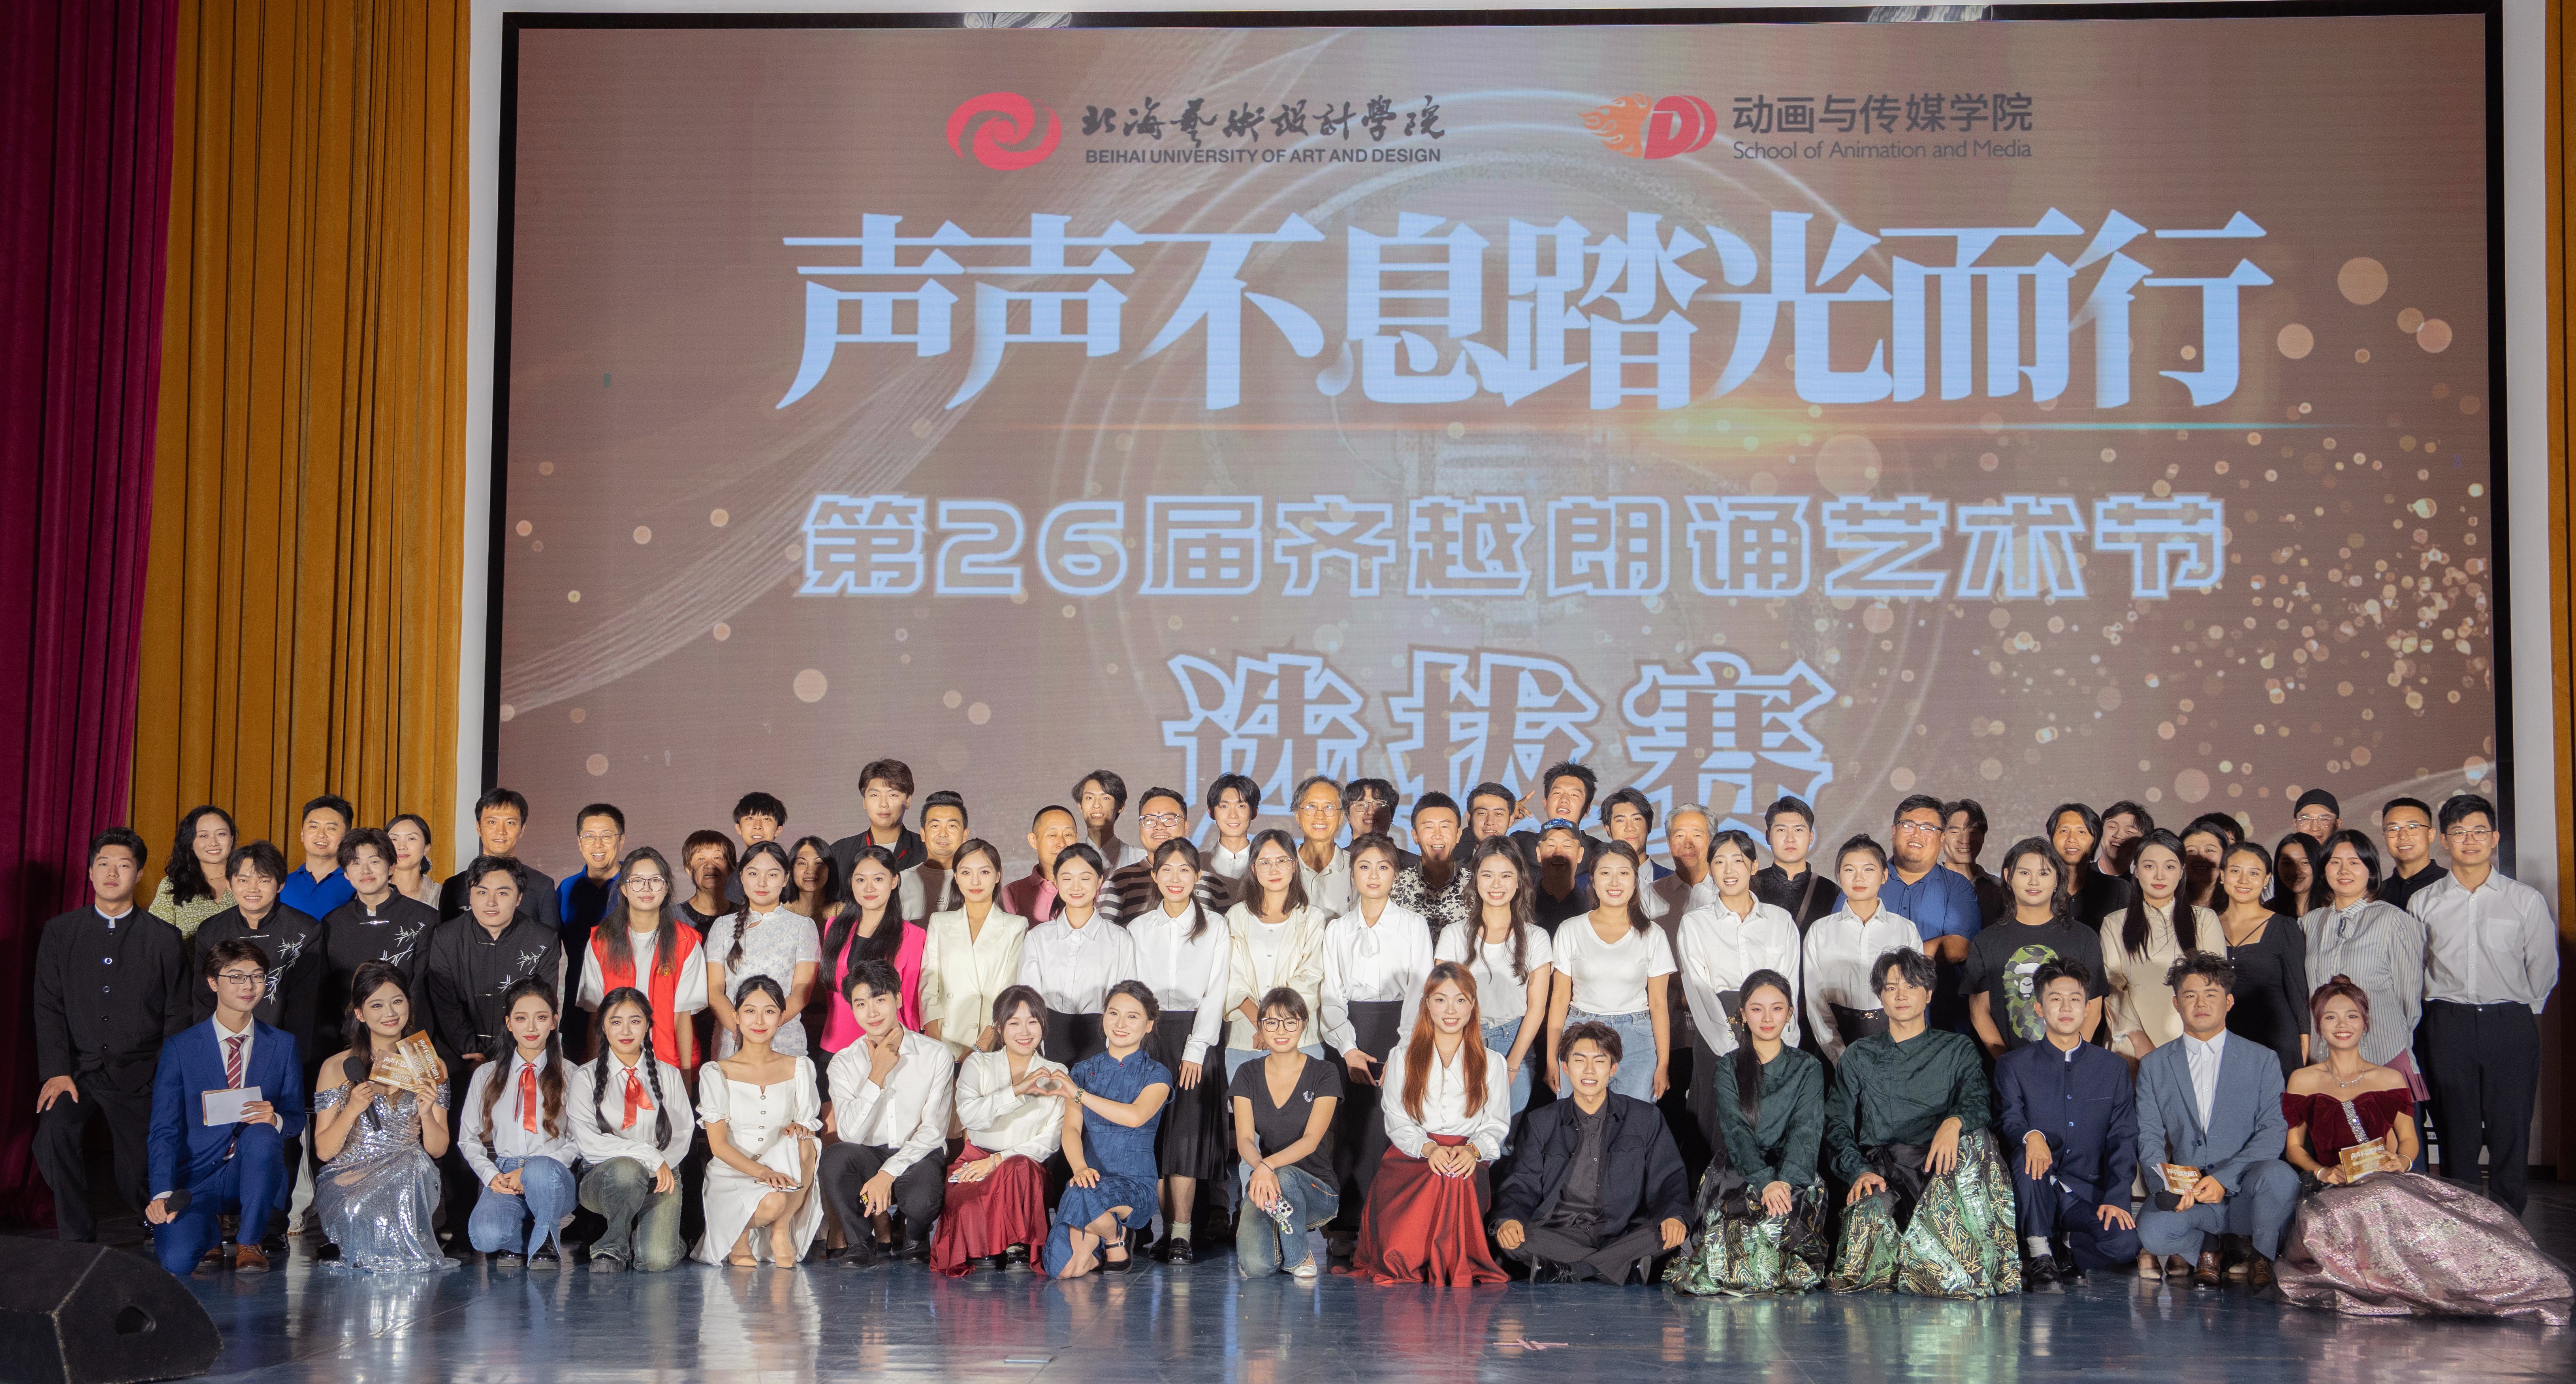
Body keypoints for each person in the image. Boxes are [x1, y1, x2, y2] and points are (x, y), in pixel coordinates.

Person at [2274, 978, 2572, 1322]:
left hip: (2385, 1181)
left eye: (2351, 1016)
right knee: (2366, 1205)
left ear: (2365, 1022)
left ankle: (2482, 1284)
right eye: (2330, 1017)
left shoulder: (2389, 1078)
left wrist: (2400, 1161)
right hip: (2331, 1188)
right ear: (2318, 1024)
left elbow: (2408, 1140)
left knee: (2450, 1220)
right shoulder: (2303, 1079)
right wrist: (2324, 1171)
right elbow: (2294, 1147)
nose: (2342, 1025)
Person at [1823, 948, 2015, 1297]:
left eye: (1911, 986)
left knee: (1980, 1139)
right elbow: (1836, 1125)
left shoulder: (1956, 1048)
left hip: (1944, 1169)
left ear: (1928, 995)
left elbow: (1978, 1101)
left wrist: (1953, 1122)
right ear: (1880, 996)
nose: (1901, 995)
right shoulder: (1859, 1056)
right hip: (1884, 1171)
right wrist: (1857, 1172)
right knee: (1857, 1271)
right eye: (1891, 987)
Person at [33, 829, 189, 1244]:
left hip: (140, 1073)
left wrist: (165, 1076)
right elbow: (48, 1007)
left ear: (138, 875)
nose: (112, 873)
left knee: (136, 1169)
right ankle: (76, 1235)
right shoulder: (60, 932)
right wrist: (57, 1071)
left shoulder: (164, 938)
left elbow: (178, 1014)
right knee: (53, 1135)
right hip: (78, 1071)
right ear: (90, 872)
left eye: (123, 866)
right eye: (103, 864)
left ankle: (154, 1221)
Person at [2409, 793, 2559, 1214]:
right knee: (2455, 1133)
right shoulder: (2424, 901)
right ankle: (2463, 1227)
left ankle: (2509, 1228)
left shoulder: (2523, 899)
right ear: (2443, 840)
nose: (2469, 840)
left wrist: (2518, 1010)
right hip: (2446, 1023)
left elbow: (2543, 966)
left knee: (2509, 1129)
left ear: (2494, 838)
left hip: (2508, 1023)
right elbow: (2415, 967)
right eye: (2458, 832)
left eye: (2478, 831)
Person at [142, 938, 307, 1274]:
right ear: (213, 983)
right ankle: (209, 1230)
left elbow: (295, 1118)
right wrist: (162, 1191)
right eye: (236, 977)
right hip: (197, 1177)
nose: (248, 986)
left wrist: (275, 1119)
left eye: (257, 976)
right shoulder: (181, 1048)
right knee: (177, 1260)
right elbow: (164, 1129)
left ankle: (250, 1240)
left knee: (262, 1135)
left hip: (253, 1171)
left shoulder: (283, 1044)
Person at [2132, 953, 2297, 1288]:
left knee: (2280, 1177)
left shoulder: (2262, 1059)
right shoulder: (2154, 1065)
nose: (2201, 1003)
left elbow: (2272, 1131)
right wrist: (2166, 1186)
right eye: (2190, 995)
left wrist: (2224, 1179)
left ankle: (2261, 1257)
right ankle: (2210, 1248)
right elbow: (2148, 1136)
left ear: (2228, 1002)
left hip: (2246, 1190)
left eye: (2211, 994)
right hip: (2190, 1192)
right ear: (2176, 1004)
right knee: (2153, 1232)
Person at [1667, 970, 1829, 1296]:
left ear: (1790, 1013)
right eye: (1757, 1009)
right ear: (1742, 1014)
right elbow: (1736, 1132)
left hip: (1792, 1173)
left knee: (1779, 1234)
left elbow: (1806, 1131)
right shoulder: (1727, 1067)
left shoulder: (1808, 1067)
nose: (1767, 1018)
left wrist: (1782, 1182)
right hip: (1738, 1170)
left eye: (1777, 1009)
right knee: (1734, 1238)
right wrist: (1764, 1181)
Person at [1492, 1021, 1690, 1284]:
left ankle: (1566, 1270)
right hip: (1559, 1232)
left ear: (1613, 1068)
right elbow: (1521, 1182)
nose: (1589, 1070)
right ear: (1565, 1067)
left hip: (1621, 1231)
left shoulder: (1645, 1117)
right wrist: (1510, 1219)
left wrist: (1673, 1215)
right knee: (1512, 1238)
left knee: (1667, 1234)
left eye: (1599, 1061)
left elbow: (1668, 1177)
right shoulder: (1541, 1121)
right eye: (1579, 1061)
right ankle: (1620, 1267)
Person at [1353, 963, 1510, 1286]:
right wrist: (1428, 1148)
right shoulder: (1403, 1057)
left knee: (1453, 1175)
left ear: (1473, 1005)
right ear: (1426, 1004)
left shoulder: (1493, 1062)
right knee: (1399, 1258)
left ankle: (1455, 1261)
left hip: (1467, 1160)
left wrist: (1472, 1151)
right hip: (1410, 1160)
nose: (1450, 1010)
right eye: (1440, 1000)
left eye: (1460, 1000)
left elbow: (1495, 1124)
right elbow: (1396, 1118)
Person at [1994, 961, 2140, 1285]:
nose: (2065, 1008)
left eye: (2074, 999)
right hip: (2034, 1186)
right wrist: (2031, 1135)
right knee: (2028, 1156)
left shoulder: (2113, 1068)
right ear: (2039, 1008)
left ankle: (2067, 1244)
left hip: (2084, 1191)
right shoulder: (2013, 1065)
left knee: (2124, 1246)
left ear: (2086, 1008)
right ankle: (2039, 1253)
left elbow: (2123, 1138)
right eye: (2055, 999)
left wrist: (2116, 1198)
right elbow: (2009, 1119)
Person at [1316, 834, 1432, 1237]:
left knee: (1395, 1124)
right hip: (1350, 1032)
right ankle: (1347, 1229)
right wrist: (1348, 1049)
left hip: (1401, 1030)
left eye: (1383, 867)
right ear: (1352, 873)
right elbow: (1331, 994)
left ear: (1395, 874)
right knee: (1352, 1127)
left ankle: (1393, 1227)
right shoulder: (1337, 929)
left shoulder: (1413, 925)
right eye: (1364, 867)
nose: (1373, 875)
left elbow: (1420, 990)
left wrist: (1404, 1047)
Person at [311, 960, 453, 1272]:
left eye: (397, 1001)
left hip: (409, 1171)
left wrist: (427, 1114)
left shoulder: (430, 1065)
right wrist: (352, 1110)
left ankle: (396, 1256)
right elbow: (324, 1151)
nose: (390, 1013)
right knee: (361, 1206)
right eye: (377, 1005)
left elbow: (438, 1149)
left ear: (408, 1005)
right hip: (350, 1175)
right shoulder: (337, 1067)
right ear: (360, 1014)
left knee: (412, 1161)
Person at [1127, 838, 1231, 1262]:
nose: (1175, 878)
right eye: (1166, 870)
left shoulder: (1216, 927)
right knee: (1154, 1137)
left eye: (1184, 870)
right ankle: (1166, 1231)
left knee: (1186, 1138)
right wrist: (1136, 1045)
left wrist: (1196, 1047)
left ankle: (1183, 1235)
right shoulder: (1138, 929)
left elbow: (1216, 991)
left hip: (1196, 1037)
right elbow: (1131, 992)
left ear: (1197, 876)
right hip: (1148, 1037)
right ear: (1154, 876)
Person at [820, 960, 954, 1265]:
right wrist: (877, 1075)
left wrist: (887, 1173)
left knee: (922, 1200)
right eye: (861, 1004)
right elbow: (850, 1134)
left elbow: (933, 1131)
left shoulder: (935, 1054)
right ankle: (859, 1242)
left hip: (918, 1153)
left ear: (898, 999)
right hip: (868, 1153)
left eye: (880, 1000)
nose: (872, 1012)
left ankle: (914, 1235)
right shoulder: (844, 1062)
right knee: (836, 1158)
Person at [1675, 829, 1800, 1151]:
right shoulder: (1695, 924)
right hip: (1718, 1029)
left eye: (1738, 861)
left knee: (1769, 1128)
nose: (1729, 871)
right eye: (1719, 862)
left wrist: (1783, 1045)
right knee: (1717, 1126)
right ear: (1710, 869)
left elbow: (1790, 986)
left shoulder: (1780, 921)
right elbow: (1698, 990)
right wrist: (1728, 1048)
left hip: (1771, 1030)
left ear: (1754, 866)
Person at [931, 987, 1067, 1276]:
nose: (1024, 1031)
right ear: (999, 1027)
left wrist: (997, 1161)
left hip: (1026, 1170)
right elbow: (970, 1116)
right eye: (1014, 1023)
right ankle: (986, 1247)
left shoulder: (1057, 1073)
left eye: (1033, 1021)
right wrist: (1017, 1090)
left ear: (1043, 1024)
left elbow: (1050, 1140)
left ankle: (1017, 1244)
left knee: (1018, 1168)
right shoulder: (978, 1064)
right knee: (968, 1206)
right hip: (975, 1160)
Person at [692, 976, 823, 1267]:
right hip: (732, 1171)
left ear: (782, 1017)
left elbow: (808, 1125)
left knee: (806, 1141)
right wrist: (763, 1173)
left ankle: (781, 1231)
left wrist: (799, 1128)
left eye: (770, 1011)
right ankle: (738, 1235)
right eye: (750, 1011)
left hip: (781, 1168)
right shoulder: (716, 1072)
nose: (760, 1020)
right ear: (736, 1017)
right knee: (773, 1202)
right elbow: (719, 1147)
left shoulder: (800, 1068)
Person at [1044, 981, 1172, 1278]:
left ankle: (1114, 1236)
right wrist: (1079, 1168)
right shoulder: (1081, 1071)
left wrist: (1078, 1094)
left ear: (1149, 1025)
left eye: (1132, 1016)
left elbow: (1135, 1117)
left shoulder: (1157, 1074)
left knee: (1082, 1194)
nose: (1120, 1024)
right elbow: (1071, 1129)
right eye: (1113, 1014)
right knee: (1061, 1270)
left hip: (1135, 1186)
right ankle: (1106, 1240)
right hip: (1088, 1181)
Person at [569, 987, 694, 1272]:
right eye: (616, 1022)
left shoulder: (669, 1075)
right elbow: (588, 1142)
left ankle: (659, 1238)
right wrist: (648, 1156)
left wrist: (658, 1166)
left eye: (635, 1021)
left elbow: (683, 1133)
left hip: (660, 1176)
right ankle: (611, 1247)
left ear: (648, 1025)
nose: (626, 1030)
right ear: (603, 1026)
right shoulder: (585, 1077)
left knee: (656, 1261)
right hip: (605, 1177)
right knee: (628, 1170)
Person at [457, 979, 578, 1267]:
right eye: (522, 1019)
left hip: (552, 1172)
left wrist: (532, 1171)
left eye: (541, 1018)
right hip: (507, 1172)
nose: (531, 1027)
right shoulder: (486, 1075)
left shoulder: (572, 1074)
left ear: (554, 1022)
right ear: (509, 1024)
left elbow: (581, 1139)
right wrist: (491, 1176)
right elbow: (467, 1138)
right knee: (485, 1237)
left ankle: (546, 1241)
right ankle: (522, 1236)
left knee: (540, 1172)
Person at [1431, 837, 1553, 1119]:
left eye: (1506, 876)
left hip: (1514, 1042)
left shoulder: (1536, 938)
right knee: (1460, 1128)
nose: (1496, 885)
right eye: (1487, 875)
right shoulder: (1454, 934)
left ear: (1519, 881)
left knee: (1506, 1135)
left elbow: (1537, 1009)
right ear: (1475, 880)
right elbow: (1442, 1001)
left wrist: (1512, 1064)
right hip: (1462, 1039)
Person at [2301, 830, 2426, 1103]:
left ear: (2371, 870)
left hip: (2384, 1051)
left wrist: (2388, 1035)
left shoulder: (2393, 920)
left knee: (2392, 1131)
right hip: (2326, 1057)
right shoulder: (2310, 923)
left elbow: (2409, 999)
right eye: (2335, 862)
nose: (2343, 871)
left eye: (2354, 862)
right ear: (2324, 870)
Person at [1546, 841, 1675, 1104]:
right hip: (1580, 1031)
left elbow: (1659, 1003)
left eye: (1624, 873)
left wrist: (1663, 1064)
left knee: (1633, 1120)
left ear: (1635, 881)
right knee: (1578, 1119)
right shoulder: (1571, 929)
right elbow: (1559, 999)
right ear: (1592, 881)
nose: (1614, 882)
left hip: (1637, 1037)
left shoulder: (1653, 934)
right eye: (1605, 873)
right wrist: (1552, 1059)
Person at [1231, 987, 1343, 1279]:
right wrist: (1262, 1169)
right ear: (1260, 1027)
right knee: (1256, 1267)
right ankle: (1281, 1236)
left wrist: (1268, 1166)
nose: (1281, 1031)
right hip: (1268, 1186)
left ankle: (1298, 1257)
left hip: (1317, 1189)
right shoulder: (1246, 1073)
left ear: (1303, 1024)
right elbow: (1244, 1139)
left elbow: (1311, 1141)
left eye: (1290, 1022)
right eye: (1271, 1022)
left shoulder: (1325, 1073)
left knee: (1285, 1175)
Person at [417, 857, 566, 1076]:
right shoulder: (447, 936)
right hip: (459, 1053)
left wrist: (507, 1055)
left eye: (503, 893)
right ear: (470, 895)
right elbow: (445, 1003)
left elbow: (542, 1002)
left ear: (519, 898)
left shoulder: (542, 939)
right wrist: (471, 1050)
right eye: (482, 892)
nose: (491, 902)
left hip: (520, 1051)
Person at [1963, 838, 2106, 1057]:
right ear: (2008, 877)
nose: (2034, 882)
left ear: (2058, 879)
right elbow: (1979, 1011)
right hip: (2007, 1064)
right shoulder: (1987, 941)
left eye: (2044, 873)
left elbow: (2093, 1009)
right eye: (2024, 873)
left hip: (2071, 1063)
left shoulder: (2084, 937)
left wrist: (2070, 1060)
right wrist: (2008, 1065)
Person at [192, 842, 327, 1064]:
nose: (253, 889)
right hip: (223, 1045)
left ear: (280, 885)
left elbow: (306, 1007)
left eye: (264, 880)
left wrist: (291, 1055)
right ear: (229, 884)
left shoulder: (306, 929)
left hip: (282, 1045)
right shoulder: (211, 930)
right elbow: (203, 999)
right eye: (243, 880)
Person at [578, 846, 706, 1069]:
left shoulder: (686, 941)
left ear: (666, 887)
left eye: (656, 880)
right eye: (637, 881)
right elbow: (595, 1015)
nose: (647, 888)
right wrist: (596, 1073)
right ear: (624, 889)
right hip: (615, 1064)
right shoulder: (601, 940)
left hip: (668, 1063)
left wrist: (685, 1078)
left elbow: (683, 1016)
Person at [1801, 836, 1923, 1066]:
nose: (1859, 878)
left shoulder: (1905, 929)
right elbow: (1816, 1002)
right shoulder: (1820, 931)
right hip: (1837, 1039)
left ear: (1884, 876)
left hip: (1894, 1039)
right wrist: (1840, 1057)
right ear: (1839, 876)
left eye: (1868, 869)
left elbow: (1914, 996)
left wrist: (1902, 1050)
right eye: (1850, 870)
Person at [2100, 829, 2218, 1059]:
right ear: (2136, 871)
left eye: (2170, 867)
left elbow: (2214, 986)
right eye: (2149, 866)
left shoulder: (2205, 920)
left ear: (2182, 872)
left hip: (2191, 1038)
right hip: (2130, 1043)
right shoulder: (2115, 923)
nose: (2160, 876)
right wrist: (2139, 1042)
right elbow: (2112, 987)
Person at [1016, 843, 1138, 1065]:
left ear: (1099, 881)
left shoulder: (1120, 940)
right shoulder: (1038, 938)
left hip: (1101, 1042)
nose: (1076, 887)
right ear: (1056, 882)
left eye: (1085, 878)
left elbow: (1125, 1001)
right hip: (1047, 1040)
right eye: (1067, 878)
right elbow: (1029, 1000)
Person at [1222, 829, 1328, 1081]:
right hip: (1247, 1037)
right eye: (1265, 863)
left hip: (1300, 1038)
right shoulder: (1236, 917)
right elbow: (1231, 978)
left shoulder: (1312, 918)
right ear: (1253, 869)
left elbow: (1311, 976)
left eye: (1282, 861)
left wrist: (1275, 1024)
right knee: (1245, 1106)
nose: (1274, 869)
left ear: (1294, 865)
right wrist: (1261, 1025)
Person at [705, 840, 821, 1060]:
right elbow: (715, 991)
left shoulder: (803, 927)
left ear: (786, 878)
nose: (762, 883)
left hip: (784, 1039)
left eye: (772, 875)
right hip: (733, 1039)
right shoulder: (722, 927)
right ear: (741, 876)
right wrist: (742, 1030)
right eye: (753, 874)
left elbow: (802, 991)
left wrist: (768, 1026)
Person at [918, 838, 1028, 1058]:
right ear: (956, 877)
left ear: (998, 876)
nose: (975, 881)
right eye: (966, 873)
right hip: (943, 1041)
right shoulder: (940, 922)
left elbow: (1009, 989)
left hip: (990, 1041)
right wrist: (937, 1042)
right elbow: (928, 986)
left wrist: (981, 1046)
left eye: (984, 872)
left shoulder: (1016, 926)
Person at [1880, 795, 1980, 1029]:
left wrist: (1883, 960)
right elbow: (1842, 938)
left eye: (1928, 828)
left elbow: (1957, 948)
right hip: (1874, 1014)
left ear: (1942, 838)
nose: (1917, 835)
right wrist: (1930, 947)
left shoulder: (1957, 886)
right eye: (1908, 826)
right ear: (1894, 831)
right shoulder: (1867, 878)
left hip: (1940, 1018)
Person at [320, 827, 438, 1028]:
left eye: (374, 861)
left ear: (391, 866)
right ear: (346, 873)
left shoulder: (424, 919)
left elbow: (424, 990)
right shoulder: (332, 924)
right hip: (348, 1037)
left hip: (406, 1034)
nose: (365, 871)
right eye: (356, 863)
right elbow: (327, 995)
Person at [2213, 842, 2312, 1079]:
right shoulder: (2206, 923)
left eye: (2254, 873)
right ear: (2223, 875)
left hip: (2276, 1041)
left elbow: (2299, 994)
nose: (2244, 880)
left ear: (2267, 879)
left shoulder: (2284, 927)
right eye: (2236, 871)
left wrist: (2304, 1050)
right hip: (2221, 1039)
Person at [817, 843, 924, 1050]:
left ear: (894, 881)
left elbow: (910, 1005)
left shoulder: (913, 936)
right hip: (836, 1044)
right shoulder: (834, 927)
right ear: (852, 883)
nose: (869, 888)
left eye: (878, 879)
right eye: (860, 880)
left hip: (888, 1046)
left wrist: (912, 1050)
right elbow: (832, 994)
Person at [553, 804, 628, 1051]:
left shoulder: (637, 885)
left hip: (629, 1005)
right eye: (589, 836)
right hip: (578, 1005)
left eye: (606, 836)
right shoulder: (567, 889)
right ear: (579, 842)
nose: (598, 845)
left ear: (621, 840)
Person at [438, 790, 560, 933]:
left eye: (510, 823)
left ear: (522, 830)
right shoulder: (454, 886)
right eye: (492, 822)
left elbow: (550, 941)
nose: (501, 831)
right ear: (478, 828)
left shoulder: (541, 885)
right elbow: (444, 938)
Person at [1104, 786, 1224, 922]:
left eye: (1169, 819)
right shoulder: (1119, 881)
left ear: (1186, 828)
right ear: (1140, 828)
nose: (1159, 826)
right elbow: (1107, 933)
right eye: (1150, 820)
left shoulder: (1212, 884)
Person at [1751, 795, 1841, 933]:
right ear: (1768, 837)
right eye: (1781, 830)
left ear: (1811, 837)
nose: (1790, 839)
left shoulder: (1831, 892)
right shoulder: (1750, 887)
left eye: (1798, 830)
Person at [829, 758, 926, 884]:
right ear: (864, 801)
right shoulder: (840, 852)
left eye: (893, 795)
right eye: (875, 795)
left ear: (908, 801)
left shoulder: (927, 850)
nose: (883, 804)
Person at [1389, 792, 1472, 938]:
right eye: (1429, 827)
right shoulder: (1394, 886)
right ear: (1415, 836)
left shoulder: (1476, 886)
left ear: (1458, 835)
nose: (1437, 835)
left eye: (1445, 827)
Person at [149, 805, 235, 941]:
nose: (213, 843)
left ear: (232, 839)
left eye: (221, 834)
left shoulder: (249, 882)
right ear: (190, 843)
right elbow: (156, 939)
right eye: (203, 836)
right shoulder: (172, 885)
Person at [1509, 762, 1605, 873]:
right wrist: (1506, 814)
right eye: (1558, 793)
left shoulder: (1597, 851)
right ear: (1545, 804)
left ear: (1587, 808)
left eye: (1574, 795)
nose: (1564, 800)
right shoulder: (1521, 843)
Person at [2044, 802, 2121, 927]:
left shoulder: (2118, 889)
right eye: (2064, 831)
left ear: (2095, 841)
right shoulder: (2037, 887)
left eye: (2081, 832)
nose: (2072, 839)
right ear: (2052, 838)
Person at [280, 794, 357, 920]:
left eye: (331, 828)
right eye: (314, 827)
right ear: (302, 834)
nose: (321, 835)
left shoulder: (357, 883)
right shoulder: (282, 884)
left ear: (347, 836)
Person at [1290, 775, 1355, 918]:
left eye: (1329, 808)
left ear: (1341, 817)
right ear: (1297, 815)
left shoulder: (1356, 868)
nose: (1320, 816)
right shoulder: (1283, 866)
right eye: (1311, 807)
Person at [1001, 805, 1078, 922]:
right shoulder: (1013, 893)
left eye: (1068, 835)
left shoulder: (1093, 888)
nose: (1062, 844)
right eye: (1053, 835)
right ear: (1033, 841)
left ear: (1076, 838)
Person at [1648, 804, 1720, 929]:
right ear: (1669, 844)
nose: (1688, 844)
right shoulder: (1651, 894)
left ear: (1712, 842)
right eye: (1680, 836)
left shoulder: (1727, 890)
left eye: (1697, 836)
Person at [899, 788, 968, 920]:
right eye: (935, 826)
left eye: (952, 826)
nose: (943, 834)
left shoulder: (976, 882)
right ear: (923, 834)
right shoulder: (901, 883)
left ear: (965, 835)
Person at [1942, 799, 2006, 929]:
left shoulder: (2000, 890)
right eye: (1955, 832)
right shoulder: (1928, 885)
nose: (1965, 840)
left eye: (1973, 833)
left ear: (1983, 838)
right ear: (1941, 837)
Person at [1201, 773, 1262, 907]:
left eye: (1241, 806)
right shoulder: (1196, 863)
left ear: (1254, 812)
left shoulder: (1267, 863)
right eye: (1224, 807)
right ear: (1211, 812)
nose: (1233, 815)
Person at [2375, 796, 2444, 912]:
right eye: (2393, 829)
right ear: (2385, 838)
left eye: (2412, 827)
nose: (2403, 836)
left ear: (2431, 835)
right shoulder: (2375, 895)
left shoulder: (2452, 886)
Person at [1072, 768, 1147, 873]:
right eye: (1089, 798)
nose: (1096, 805)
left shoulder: (1141, 859)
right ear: (1080, 806)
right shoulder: (1070, 862)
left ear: (1120, 806)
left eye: (1105, 798)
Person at [1530, 820, 1591, 926]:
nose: (1558, 853)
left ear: (1580, 855)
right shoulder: (1521, 904)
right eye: (1551, 845)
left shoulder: (1594, 906)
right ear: (1539, 853)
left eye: (1567, 846)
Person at [1345, 779, 1417, 870]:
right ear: (1348, 816)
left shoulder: (1415, 866)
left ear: (1392, 815)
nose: (1371, 812)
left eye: (1379, 804)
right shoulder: (1335, 862)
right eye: (1361, 805)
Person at [2177, 814, 2238, 913]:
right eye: (2191, 851)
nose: (2201, 858)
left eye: (2209, 850)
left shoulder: (2237, 903)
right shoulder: (2170, 904)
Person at [678, 830, 736, 932]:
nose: (710, 865)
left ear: (731, 869)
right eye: (701, 859)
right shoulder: (672, 918)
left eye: (717, 858)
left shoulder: (745, 915)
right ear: (689, 870)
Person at [2094, 800, 2154, 895]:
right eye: (2113, 827)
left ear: (2143, 843)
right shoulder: (2075, 877)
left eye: (2129, 831)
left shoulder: (2143, 891)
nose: (2118, 836)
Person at [384, 813, 442, 908]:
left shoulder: (441, 894)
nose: (402, 847)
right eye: (394, 839)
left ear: (426, 848)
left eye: (411, 839)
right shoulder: (371, 892)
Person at [2271, 831, 2328, 917]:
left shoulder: (2335, 909)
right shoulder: (2269, 910)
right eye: (2287, 863)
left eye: (2305, 863)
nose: (2296, 871)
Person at [783, 836, 837, 923]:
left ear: (830, 869)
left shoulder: (842, 913)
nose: (810, 871)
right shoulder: (780, 914)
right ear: (791, 869)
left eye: (818, 863)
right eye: (802, 863)